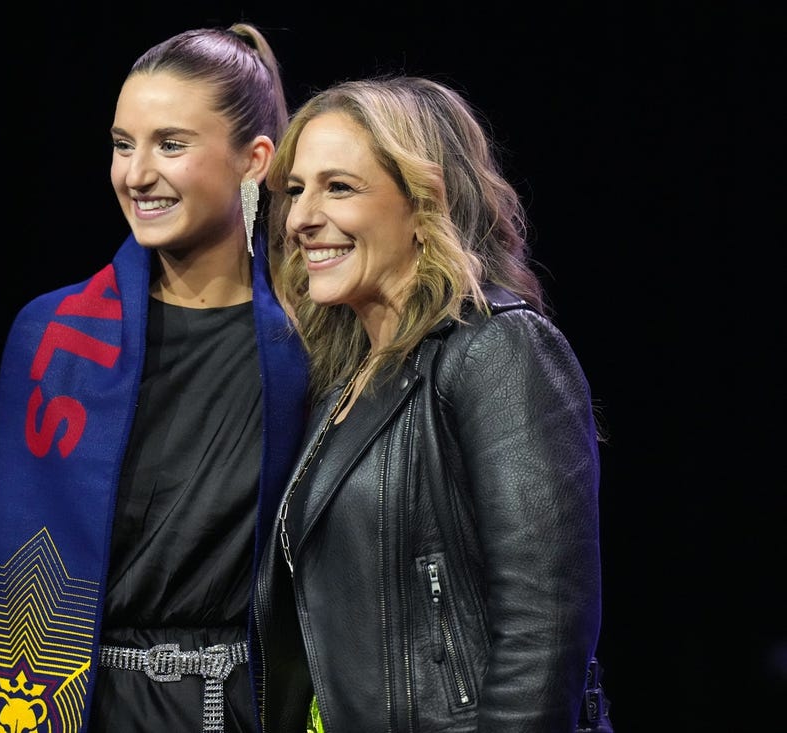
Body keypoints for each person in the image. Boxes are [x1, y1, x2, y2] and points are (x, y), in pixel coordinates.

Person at [0, 23, 309, 733]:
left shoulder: (309, 342)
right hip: (70, 707)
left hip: (248, 709)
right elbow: (9, 563)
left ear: (253, 160)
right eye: (122, 143)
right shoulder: (50, 337)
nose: (135, 173)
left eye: (170, 144)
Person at [253, 76, 607, 732]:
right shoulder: (339, 380)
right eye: (297, 189)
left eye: (339, 186)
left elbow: (543, 631)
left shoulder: (499, 349)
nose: (300, 216)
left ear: (422, 202)